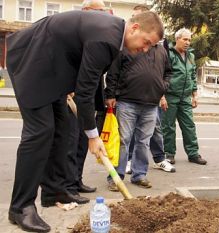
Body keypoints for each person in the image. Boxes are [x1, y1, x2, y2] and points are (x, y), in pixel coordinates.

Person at [6, 10, 163, 232]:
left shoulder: (114, 36)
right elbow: (85, 89)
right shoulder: (106, 37)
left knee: (63, 127)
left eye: (151, 47)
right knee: (40, 131)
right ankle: (20, 207)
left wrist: (90, 126)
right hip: (32, 63)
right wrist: (93, 135)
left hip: (52, 72)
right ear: (135, 28)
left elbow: (92, 77)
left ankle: (53, 191)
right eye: (146, 42)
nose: (145, 50)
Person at [105, 9, 173, 191]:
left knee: (143, 142)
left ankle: (139, 175)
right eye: (149, 41)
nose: (148, 46)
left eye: (154, 42)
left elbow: (168, 73)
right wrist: (110, 95)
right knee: (123, 140)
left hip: (151, 104)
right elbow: (113, 71)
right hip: (127, 102)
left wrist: (162, 88)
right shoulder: (128, 46)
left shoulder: (161, 51)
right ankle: (115, 177)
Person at [65, 0, 108, 199]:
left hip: (87, 100)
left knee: (84, 142)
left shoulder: (96, 36)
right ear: (86, 11)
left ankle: (77, 180)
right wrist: (68, 88)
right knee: (71, 143)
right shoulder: (73, 34)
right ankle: (68, 187)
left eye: (105, 12)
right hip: (72, 97)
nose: (103, 16)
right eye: (99, 12)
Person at [161, 28, 207, 165]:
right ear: (177, 39)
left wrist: (195, 95)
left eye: (189, 40)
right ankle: (169, 154)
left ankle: (193, 154)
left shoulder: (190, 56)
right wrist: (161, 96)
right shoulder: (168, 54)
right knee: (168, 126)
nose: (188, 42)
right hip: (170, 96)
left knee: (189, 126)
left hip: (185, 97)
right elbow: (161, 75)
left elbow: (192, 76)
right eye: (185, 39)